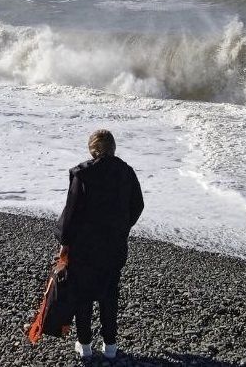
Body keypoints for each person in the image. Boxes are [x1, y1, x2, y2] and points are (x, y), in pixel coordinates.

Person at [55, 129, 144, 360]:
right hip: (114, 245)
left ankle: (85, 345)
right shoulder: (127, 172)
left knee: (83, 295)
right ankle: (111, 346)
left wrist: (64, 242)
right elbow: (138, 205)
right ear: (113, 148)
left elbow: (71, 213)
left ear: (93, 150)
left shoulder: (82, 174)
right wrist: (123, 227)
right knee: (109, 294)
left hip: (84, 247)